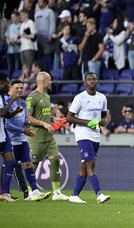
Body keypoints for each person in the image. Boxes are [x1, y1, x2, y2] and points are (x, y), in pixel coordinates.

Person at [67, 72, 110, 204]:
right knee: (90, 163)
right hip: (82, 133)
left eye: (94, 79)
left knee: (85, 165)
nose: (92, 81)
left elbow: (103, 115)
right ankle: (99, 194)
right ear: (85, 82)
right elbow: (69, 117)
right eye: (89, 80)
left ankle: (74, 194)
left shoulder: (102, 98)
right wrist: (88, 122)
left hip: (95, 135)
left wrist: (103, 122)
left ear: (97, 81)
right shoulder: (80, 98)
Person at [5, 80, 51, 201]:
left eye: (21, 88)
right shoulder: (7, 102)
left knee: (28, 164)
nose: (20, 90)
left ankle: (34, 191)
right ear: (10, 89)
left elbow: (25, 120)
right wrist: (24, 130)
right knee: (10, 166)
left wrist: (28, 124)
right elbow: (7, 125)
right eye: (17, 88)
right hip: (10, 140)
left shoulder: (23, 103)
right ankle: (5, 192)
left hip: (22, 139)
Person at [26, 72, 69, 201]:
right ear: (43, 81)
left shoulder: (47, 96)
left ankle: (57, 193)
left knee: (55, 159)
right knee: (33, 164)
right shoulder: (32, 97)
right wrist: (44, 123)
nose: (51, 82)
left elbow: (43, 114)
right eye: (49, 80)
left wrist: (52, 118)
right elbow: (28, 118)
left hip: (49, 136)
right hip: (36, 136)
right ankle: (30, 192)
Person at [0, 73, 25, 202]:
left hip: (3, 136)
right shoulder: (5, 98)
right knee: (10, 162)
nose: (7, 85)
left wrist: (15, 112)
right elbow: (1, 112)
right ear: (1, 83)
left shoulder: (1, 97)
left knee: (10, 162)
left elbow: (5, 115)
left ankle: (4, 193)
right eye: (6, 82)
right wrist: (11, 101)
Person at [5, 11, 21, 75]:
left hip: (18, 50)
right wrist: (8, 41)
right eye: (12, 17)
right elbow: (7, 36)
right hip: (10, 50)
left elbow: (22, 37)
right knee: (10, 68)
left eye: (14, 17)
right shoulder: (10, 26)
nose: (12, 19)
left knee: (17, 67)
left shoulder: (21, 25)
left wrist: (16, 41)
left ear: (17, 17)